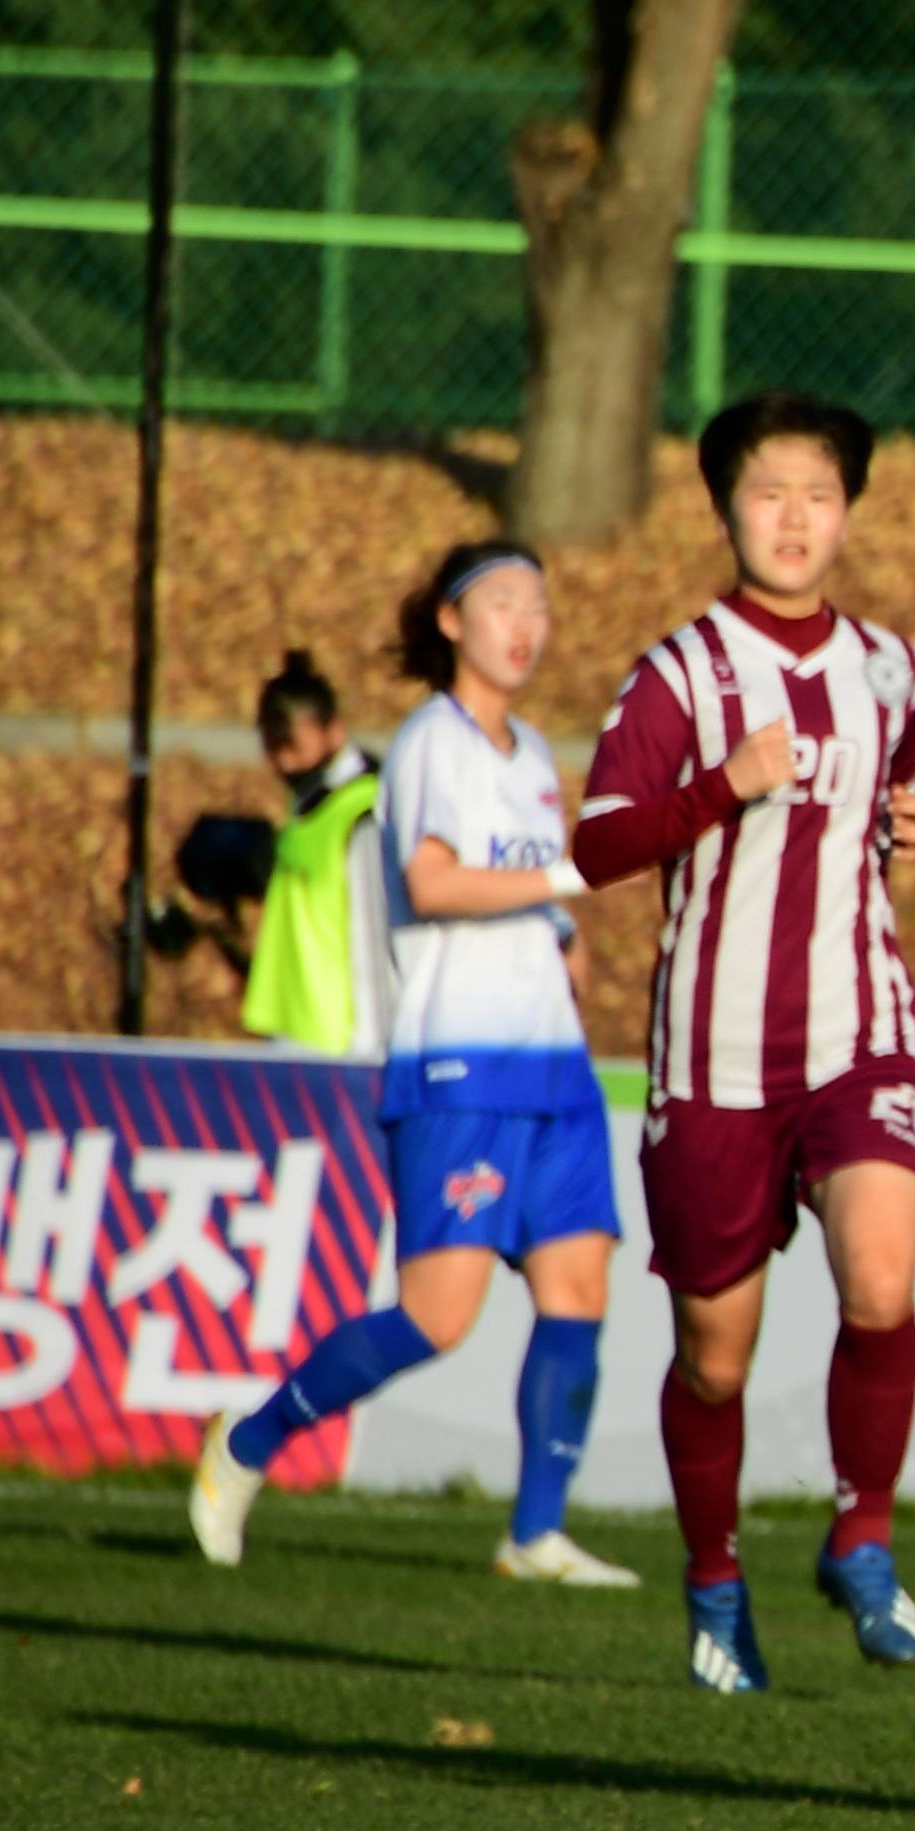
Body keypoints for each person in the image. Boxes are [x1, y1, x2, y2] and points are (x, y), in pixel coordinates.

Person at [568, 393, 915, 1695]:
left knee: (881, 1283)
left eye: (819, 494)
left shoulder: (893, 668)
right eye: (769, 492)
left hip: (862, 1029)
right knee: (714, 1359)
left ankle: (863, 1533)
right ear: (726, 507)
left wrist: (908, 824)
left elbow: (884, 798)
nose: (794, 518)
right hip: (712, 1057)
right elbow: (601, 843)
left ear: (850, 511)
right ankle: (716, 1580)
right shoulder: (680, 674)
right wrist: (720, 786)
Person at [190, 550, 635, 1589]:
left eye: (539, 603)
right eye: (500, 603)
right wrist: (563, 878)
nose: (525, 623)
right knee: (439, 1315)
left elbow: (524, 881)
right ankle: (249, 1442)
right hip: (459, 1064)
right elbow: (432, 884)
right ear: (450, 621)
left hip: (553, 1065)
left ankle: (535, 1532)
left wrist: (561, 926)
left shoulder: (529, 752)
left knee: (578, 1285)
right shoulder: (432, 741)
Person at [184, 654, 383, 1053]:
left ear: (335, 732)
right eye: (274, 749)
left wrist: (370, 1047)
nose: (284, 762)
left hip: (340, 1047)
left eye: (294, 747)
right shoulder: (312, 806)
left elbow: (372, 938)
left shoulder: (365, 816)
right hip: (294, 1034)